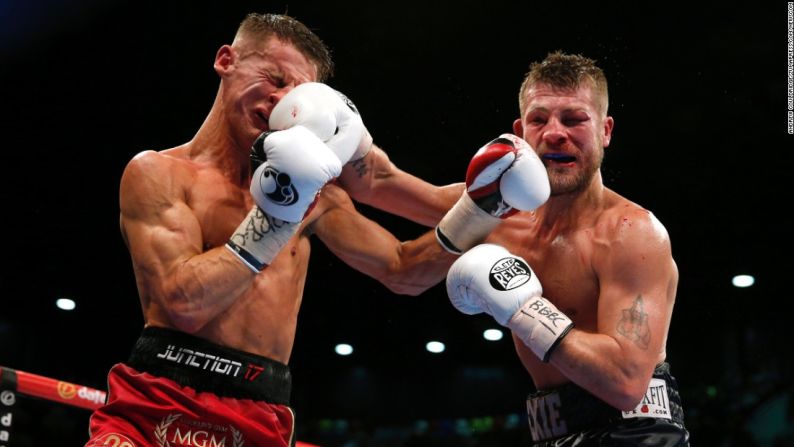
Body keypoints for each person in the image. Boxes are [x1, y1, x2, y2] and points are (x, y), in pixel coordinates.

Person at [84, 13, 549, 447]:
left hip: (259, 412)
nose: (279, 101)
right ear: (227, 60)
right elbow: (182, 303)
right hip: (152, 404)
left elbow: (402, 268)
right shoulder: (158, 174)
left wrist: (487, 204)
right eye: (274, 79)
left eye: (295, 94)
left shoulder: (320, 193)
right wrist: (280, 214)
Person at [445, 51, 690, 445]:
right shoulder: (497, 215)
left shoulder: (631, 232)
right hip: (550, 429)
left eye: (574, 119)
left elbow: (627, 383)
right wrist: (342, 148)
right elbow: (388, 195)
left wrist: (525, 310)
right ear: (520, 133)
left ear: (606, 131)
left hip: (636, 433)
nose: (555, 132)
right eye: (539, 120)